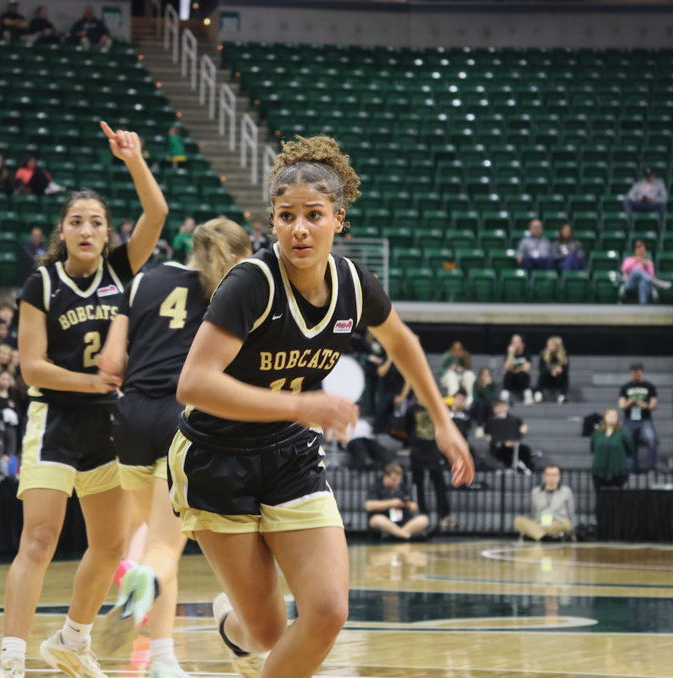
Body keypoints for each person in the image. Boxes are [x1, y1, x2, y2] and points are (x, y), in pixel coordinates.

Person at [160, 136, 473, 678]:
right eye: (286, 216)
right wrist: (301, 402)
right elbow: (193, 383)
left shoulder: (354, 283)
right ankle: (234, 626)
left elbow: (403, 343)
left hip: (290, 455)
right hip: (216, 456)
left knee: (327, 612)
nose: (299, 228)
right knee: (264, 631)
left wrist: (443, 422)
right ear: (272, 222)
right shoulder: (251, 283)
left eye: (313, 214)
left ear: (338, 219)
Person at [0, 122, 166, 678]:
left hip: (108, 425)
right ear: (62, 231)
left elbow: (157, 214)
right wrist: (90, 382)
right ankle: (11, 660)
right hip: (57, 418)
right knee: (39, 538)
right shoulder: (41, 284)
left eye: (96, 222)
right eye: (76, 222)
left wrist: (134, 159)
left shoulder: (120, 269)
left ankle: (73, 638)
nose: (86, 230)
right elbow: (31, 366)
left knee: (111, 544)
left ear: (107, 233)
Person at [95, 217, 253, 678]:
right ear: (237, 256)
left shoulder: (145, 278)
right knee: (166, 547)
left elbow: (110, 363)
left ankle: (163, 658)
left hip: (129, 420)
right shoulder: (232, 294)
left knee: (160, 541)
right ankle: (144, 583)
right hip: (182, 419)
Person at [405, 396, 453, 528]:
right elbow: (408, 428)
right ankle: (422, 513)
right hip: (417, 449)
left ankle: (443, 514)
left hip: (433, 448)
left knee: (439, 481)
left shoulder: (436, 407)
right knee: (418, 482)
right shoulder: (412, 409)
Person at [366, 464, 430, 540]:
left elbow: (414, 506)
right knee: (377, 519)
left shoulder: (402, 488)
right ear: (386, 476)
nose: (396, 482)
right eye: (393, 479)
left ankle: (396, 534)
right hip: (386, 521)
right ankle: (407, 536)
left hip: (403, 521)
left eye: (398, 479)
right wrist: (391, 503)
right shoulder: (376, 487)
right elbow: (369, 506)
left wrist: (407, 505)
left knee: (423, 519)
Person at [513, 466, 575, 541]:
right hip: (539, 523)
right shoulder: (536, 491)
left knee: (567, 524)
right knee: (518, 520)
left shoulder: (566, 491)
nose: (551, 477)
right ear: (545, 476)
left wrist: (571, 531)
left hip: (556, 524)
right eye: (549, 475)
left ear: (559, 476)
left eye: (554, 475)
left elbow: (571, 512)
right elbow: (534, 511)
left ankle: (535, 535)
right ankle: (547, 537)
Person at [618, 362, 660, 473]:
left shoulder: (649, 386)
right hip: (629, 419)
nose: (636, 376)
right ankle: (632, 468)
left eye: (638, 374)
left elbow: (654, 405)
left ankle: (652, 466)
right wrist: (629, 403)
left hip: (644, 419)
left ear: (643, 373)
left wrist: (645, 405)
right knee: (628, 443)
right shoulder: (625, 387)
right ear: (631, 373)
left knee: (651, 440)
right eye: (634, 374)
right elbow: (621, 405)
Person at [485, 399, 533, 471]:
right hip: (498, 446)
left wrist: (521, 430)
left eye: (503, 406)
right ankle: (509, 467)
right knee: (505, 451)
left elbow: (521, 430)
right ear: (494, 409)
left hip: (513, 444)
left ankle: (528, 468)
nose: (501, 409)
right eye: (498, 407)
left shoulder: (514, 420)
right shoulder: (490, 421)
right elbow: (488, 435)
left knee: (525, 450)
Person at [591, 409, 632, 491]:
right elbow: (592, 448)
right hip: (599, 470)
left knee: (616, 497)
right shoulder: (597, 433)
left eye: (615, 416)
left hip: (618, 471)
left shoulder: (623, 433)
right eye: (610, 416)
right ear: (605, 418)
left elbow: (630, 449)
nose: (612, 418)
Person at [620, 240, 671, 305]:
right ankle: (657, 283)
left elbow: (651, 276)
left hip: (644, 283)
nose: (641, 251)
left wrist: (646, 267)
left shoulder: (648, 262)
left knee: (643, 283)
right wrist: (635, 261)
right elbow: (623, 270)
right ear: (636, 249)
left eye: (642, 249)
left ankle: (643, 306)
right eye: (639, 249)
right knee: (636, 271)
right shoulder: (629, 259)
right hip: (630, 284)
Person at [0, 370, 20, 463]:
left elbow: (18, 413)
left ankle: (10, 474)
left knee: (11, 453)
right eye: (3, 379)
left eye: (8, 379)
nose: (6, 381)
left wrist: (2, 412)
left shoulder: (13, 397)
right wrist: (4, 414)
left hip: (11, 429)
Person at [534, 335, 568, 404]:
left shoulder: (563, 356)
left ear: (557, 346)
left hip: (557, 380)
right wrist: (551, 371)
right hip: (547, 379)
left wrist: (559, 371)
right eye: (548, 344)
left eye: (550, 345)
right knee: (542, 374)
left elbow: (566, 369)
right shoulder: (544, 354)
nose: (548, 346)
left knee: (564, 375)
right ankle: (538, 395)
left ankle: (562, 396)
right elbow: (541, 368)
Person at [502, 334, 533, 405]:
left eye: (517, 341)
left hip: (522, 381)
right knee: (508, 374)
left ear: (522, 344)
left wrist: (514, 369)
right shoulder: (509, 354)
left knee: (523, 374)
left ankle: (528, 395)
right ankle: (504, 396)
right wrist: (511, 354)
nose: (514, 344)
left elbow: (526, 368)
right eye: (513, 342)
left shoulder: (526, 353)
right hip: (511, 381)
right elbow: (507, 368)